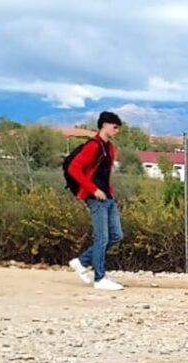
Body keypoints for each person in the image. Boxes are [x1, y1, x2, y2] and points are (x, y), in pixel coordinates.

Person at [68, 110, 125, 291]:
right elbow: (74, 168)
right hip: (95, 198)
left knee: (116, 235)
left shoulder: (110, 148)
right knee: (102, 238)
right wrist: (93, 189)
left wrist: (108, 191)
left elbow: (104, 174)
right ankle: (100, 278)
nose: (116, 131)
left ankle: (81, 262)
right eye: (115, 127)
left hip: (107, 197)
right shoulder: (93, 146)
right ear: (105, 125)